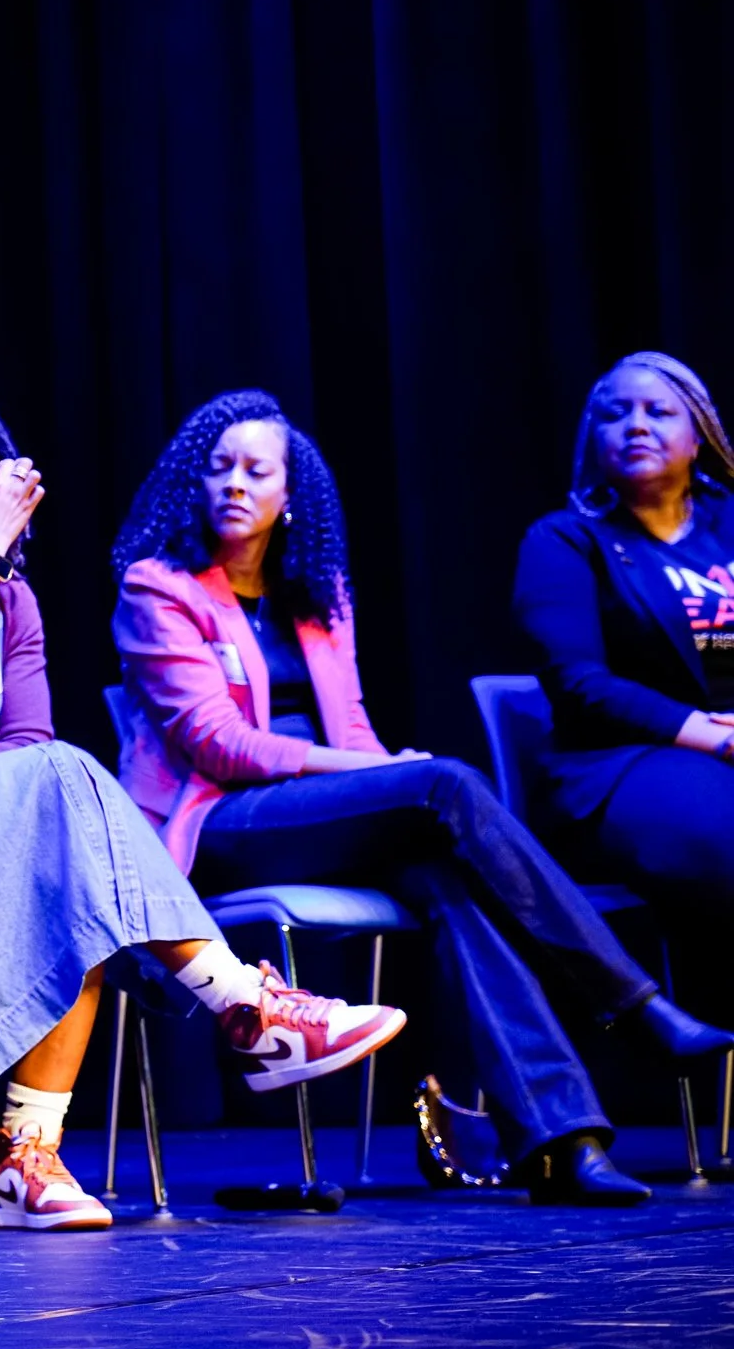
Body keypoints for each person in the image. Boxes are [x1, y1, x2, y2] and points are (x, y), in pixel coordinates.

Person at [0, 370, 406, 1230]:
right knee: (67, 793)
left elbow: (25, 743)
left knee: (71, 868)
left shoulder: (16, 602)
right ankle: (246, 1006)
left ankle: (24, 1163)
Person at [113, 387, 733, 1205]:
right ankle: (633, 1003)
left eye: (256, 470)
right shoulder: (159, 588)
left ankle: (563, 1143)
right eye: (218, 467)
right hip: (220, 822)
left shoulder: (315, 594)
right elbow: (220, 745)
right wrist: (375, 775)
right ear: (192, 484)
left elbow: (355, 724)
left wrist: (377, 767)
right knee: (441, 783)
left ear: (288, 495)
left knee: (449, 882)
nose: (234, 483)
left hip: (322, 813)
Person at [513, 352, 734, 928]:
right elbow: (578, 683)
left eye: (658, 411)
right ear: (594, 438)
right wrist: (712, 735)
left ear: (697, 437)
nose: (637, 424)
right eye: (617, 413)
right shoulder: (563, 541)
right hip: (619, 763)